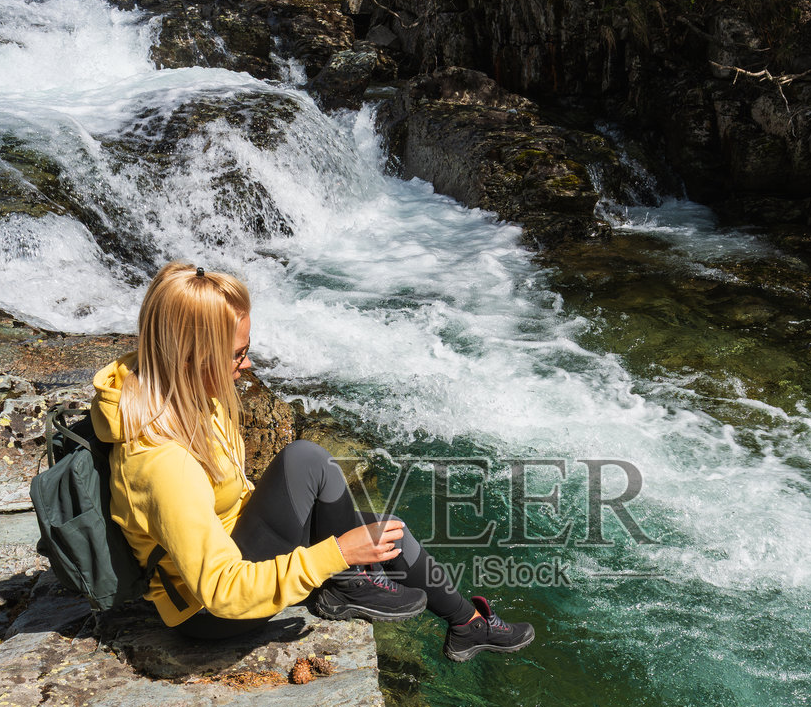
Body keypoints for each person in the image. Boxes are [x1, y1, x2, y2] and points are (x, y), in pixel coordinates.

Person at [89, 261, 534, 662]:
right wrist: (333, 555)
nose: (246, 365)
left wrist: (329, 538)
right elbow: (221, 590)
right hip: (207, 613)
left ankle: (467, 624)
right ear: (187, 357)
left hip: (239, 545)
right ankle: (345, 583)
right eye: (236, 354)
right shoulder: (162, 460)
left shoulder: (186, 394)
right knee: (306, 461)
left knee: (384, 529)